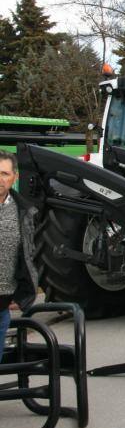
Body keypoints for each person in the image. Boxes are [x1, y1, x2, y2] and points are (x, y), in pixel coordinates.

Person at [0, 151, 40, 362]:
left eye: (4, 173)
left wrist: (25, 293)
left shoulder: (24, 212)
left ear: (14, 177)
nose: (0, 179)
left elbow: (28, 255)